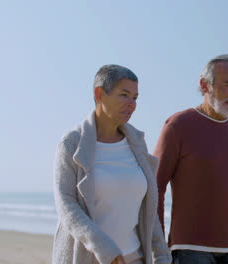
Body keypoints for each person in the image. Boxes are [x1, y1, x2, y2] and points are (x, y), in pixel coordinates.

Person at [154, 54, 228, 264]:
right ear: (205, 85)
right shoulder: (178, 126)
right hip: (190, 250)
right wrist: (157, 247)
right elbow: (155, 187)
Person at [52, 65, 171, 264]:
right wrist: (105, 248)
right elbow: (66, 205)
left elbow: (148, 205)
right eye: (124, 95)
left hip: (136, 258)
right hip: (89, 258)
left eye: (135, 98)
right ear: (99, 94)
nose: (131, 104)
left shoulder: (137, 143)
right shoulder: (72, 143)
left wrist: (162, 253)